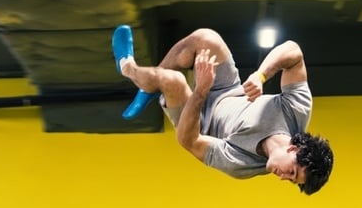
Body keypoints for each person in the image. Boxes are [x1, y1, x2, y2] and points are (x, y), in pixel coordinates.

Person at [112, 25, 333, 195]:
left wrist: (200, 90)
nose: (284, 178)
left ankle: (127, 67)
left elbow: (188, 141)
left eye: (292, 181)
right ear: (294, 150)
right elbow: (293, 53)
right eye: (292, 173)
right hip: (228, 90)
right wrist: (261, 75)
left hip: (198, 122)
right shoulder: (296, 111)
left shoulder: (243, 167)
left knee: (173, 81)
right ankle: (149, 85)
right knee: (206, 38)